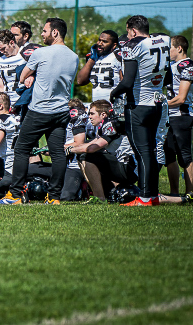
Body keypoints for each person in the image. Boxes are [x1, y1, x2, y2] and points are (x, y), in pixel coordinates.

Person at [0, 18, 79, 205]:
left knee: (21, 149)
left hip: (40, 110)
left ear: (55, 32)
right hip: (61, 110)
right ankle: (54, 197)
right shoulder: (74, 57)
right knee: (57, 154)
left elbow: (23, 76)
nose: (41, 34)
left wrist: (31, 76)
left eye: (45, 31)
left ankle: (15, 195)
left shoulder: (41, 53)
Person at [109, 15, 170, 206]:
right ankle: (152, 195)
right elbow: (167, 77)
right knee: (150, 151)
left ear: (133, 30)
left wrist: (113, 93)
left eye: (128, 31)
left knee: (142, 153)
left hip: (138, 105)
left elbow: (127, 83)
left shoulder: (132, 45)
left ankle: (145, 198)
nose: (127, 35)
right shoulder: (163, 40)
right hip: (157, 102)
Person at [67, 100, 137, 203]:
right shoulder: (105, 124)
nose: (89, 116)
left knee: (88, 156)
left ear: (103, 114)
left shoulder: (112, 125)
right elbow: (89, 144)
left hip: (129, 168)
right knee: (83, 155)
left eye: (92, 113)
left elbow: (91, 148)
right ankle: (105, 192)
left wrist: (70, 149)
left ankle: (99, 198)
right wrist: (68, 148)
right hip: (124, 164)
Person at [165, 35, 193, 197]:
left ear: (179, 48)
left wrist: (160, 105)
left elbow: (181, 98)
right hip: (170, 115)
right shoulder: (173, 65)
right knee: (169, 154)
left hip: (182, 115)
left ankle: (190, 192)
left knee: (185, 155)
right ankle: (174, 192)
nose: (167, 51)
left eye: (170, 48)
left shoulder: (187, 66)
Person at [0, 29, 33, 110]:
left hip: (25, 100)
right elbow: (0, 86)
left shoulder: (25, 55)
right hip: (8, 103)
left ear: (12, 43)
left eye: (3, 48)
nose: (1, 52)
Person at [76, 30, 122, 101]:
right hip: (96, 104)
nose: (100, 43)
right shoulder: (93, 57)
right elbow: (80, 81)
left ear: (114, 45)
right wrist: (91, 59)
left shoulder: (118, 56)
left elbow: (124, 81)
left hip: (113, 102)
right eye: (99, 40)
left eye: (104, 41)